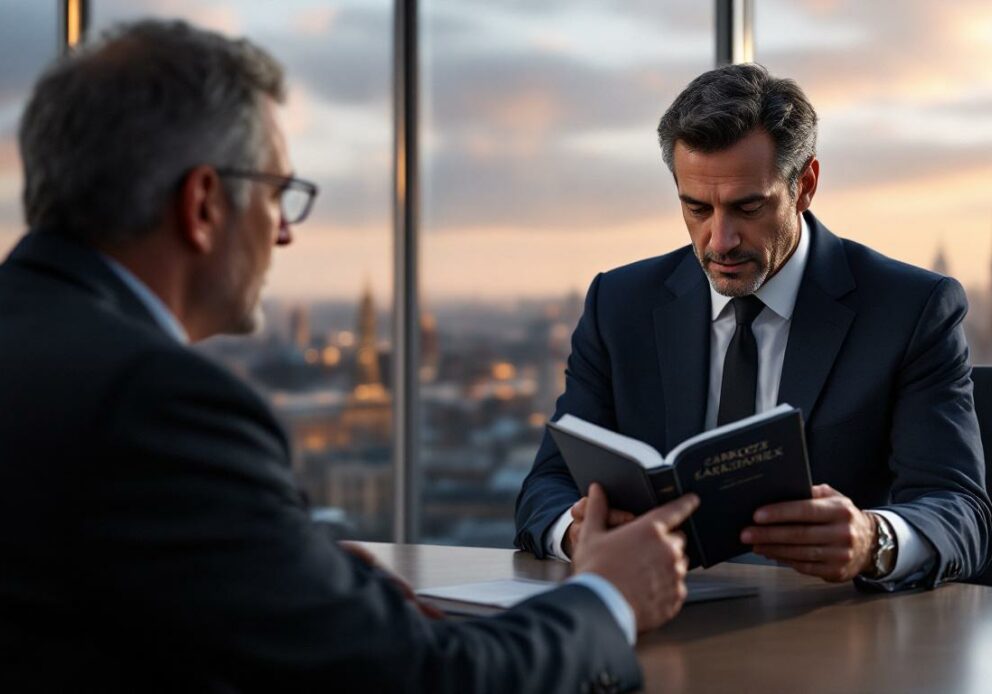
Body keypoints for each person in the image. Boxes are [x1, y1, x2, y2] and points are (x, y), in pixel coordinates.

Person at [0, 20, 699, 693]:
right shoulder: (154, 401)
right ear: (204, 203)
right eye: (278, 194)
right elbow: (422, 680)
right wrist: (608, 596)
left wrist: (288, 571)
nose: (285, 237)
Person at [515, 63, 992, 591]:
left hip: (833, 639)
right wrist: (574, 533)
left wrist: (872, 540)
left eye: (747, 207)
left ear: (805, 185)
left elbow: (963, 512)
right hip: (658, 626)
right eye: (696, 208)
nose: (719, 240)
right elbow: (548, 485)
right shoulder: (619, 305)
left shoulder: (911, 310)